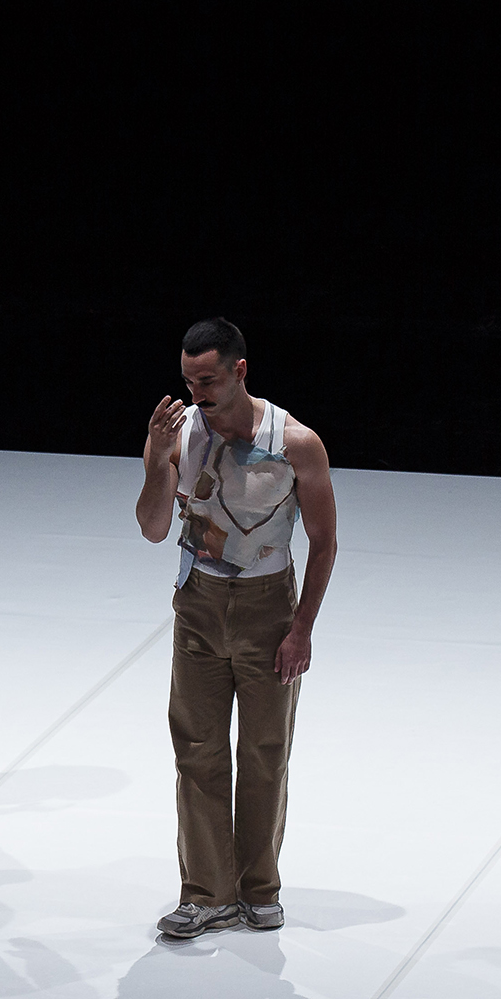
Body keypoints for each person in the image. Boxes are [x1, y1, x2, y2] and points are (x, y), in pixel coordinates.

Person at [134, 318, 338, 939]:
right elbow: (153, 528)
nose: (196, 393)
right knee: (196, 751)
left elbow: (324, 542)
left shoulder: (295, 443)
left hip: (267, 608)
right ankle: (206, 893)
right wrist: (155, 460)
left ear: (239, 370)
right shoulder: (179, 435)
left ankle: (259, 888)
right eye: (188, 381)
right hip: (198, 605)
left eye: (208, 380)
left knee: (264, 752)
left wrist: (302, 628)